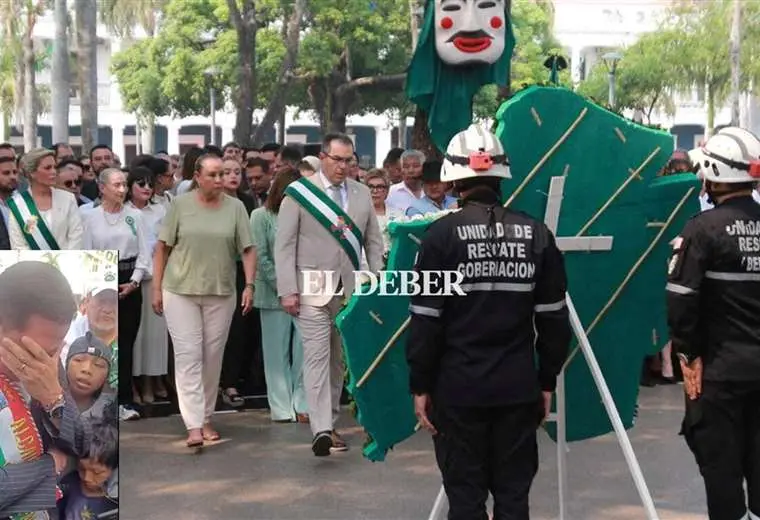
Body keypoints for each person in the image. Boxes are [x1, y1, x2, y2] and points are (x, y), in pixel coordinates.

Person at [406, 124, 571, 520]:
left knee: (465, 499)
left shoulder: (439, 236)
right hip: (517, 389)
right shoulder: (537, 234)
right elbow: (553, 320)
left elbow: (426, 322)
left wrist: (420, 385)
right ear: (501, 175)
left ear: (452, 177)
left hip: (457, 390)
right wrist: (546, 380)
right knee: (514, 498)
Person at [667, 126, 760, 520]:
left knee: (721, 470)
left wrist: (688, 358)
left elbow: (681, 302)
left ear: (711, 174)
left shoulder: (702, 230)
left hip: (719, 376)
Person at [274, 132, 384, 456]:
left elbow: (373, 243)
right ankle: (320, 428)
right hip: (310, 289)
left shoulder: (362, 194)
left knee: (338, 361)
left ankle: (332, 422)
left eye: (349, 160)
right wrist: (287, 290)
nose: (343, 166)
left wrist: (376, 282)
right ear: (323, 157)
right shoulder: (299, 193)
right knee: (317, 357)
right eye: (337, 159)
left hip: (349, 290)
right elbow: (284, 245)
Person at [152, 154, 256, 448]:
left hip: (221, 291)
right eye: (213, 174)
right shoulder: (180, 205)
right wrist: (156, 289)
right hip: (179, 290)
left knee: (212, 357)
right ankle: (193, 424)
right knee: (188, 356)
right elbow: (161, 247)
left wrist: (249, 284)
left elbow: (248, 249)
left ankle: (206, 416)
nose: (220, 180)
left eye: (222, 174)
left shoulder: (236, 207)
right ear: (197, 176)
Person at [0, 261, 91, 517]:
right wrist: (49, 465)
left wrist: (54, 400)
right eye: (34, 351)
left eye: (54, 351)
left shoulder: (50, 363)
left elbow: (82, 445)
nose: (46, 363)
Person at [81, 168, 151, 421]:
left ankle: (124, 401)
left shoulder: (136, 216)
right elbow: (86, 251)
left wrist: (134, 281)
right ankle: (99, 401)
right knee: (101, 343)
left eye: (124, 185)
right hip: (102, 280)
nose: (121, 190)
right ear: (102, 188)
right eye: (116, 185)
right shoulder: (89, 217)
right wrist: (101, 284)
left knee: (126, 344)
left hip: (129, 281)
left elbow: (145, 252)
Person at [250, 166, 308, 423]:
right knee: (276, 354)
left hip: (306, 291)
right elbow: (261, 256)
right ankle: (282, 408)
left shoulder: (307, 216)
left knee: (305, 351)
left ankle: (303, 403)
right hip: (272, 294)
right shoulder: (260, 216)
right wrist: (284, 287)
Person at [7, 148, 84, 250]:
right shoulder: (18, 204)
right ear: (32, 173)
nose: (54, 172)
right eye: (48, 168)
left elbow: (76, 236)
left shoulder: (68, 198)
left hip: (66, 263)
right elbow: (19, 245)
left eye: (54, 167)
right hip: (32, 265)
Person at [57, 413, 119, 519]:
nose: (87, 478)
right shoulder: (68, 483)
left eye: (97, 473)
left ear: (114, 468)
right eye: (82, 468)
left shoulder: (116, 501)